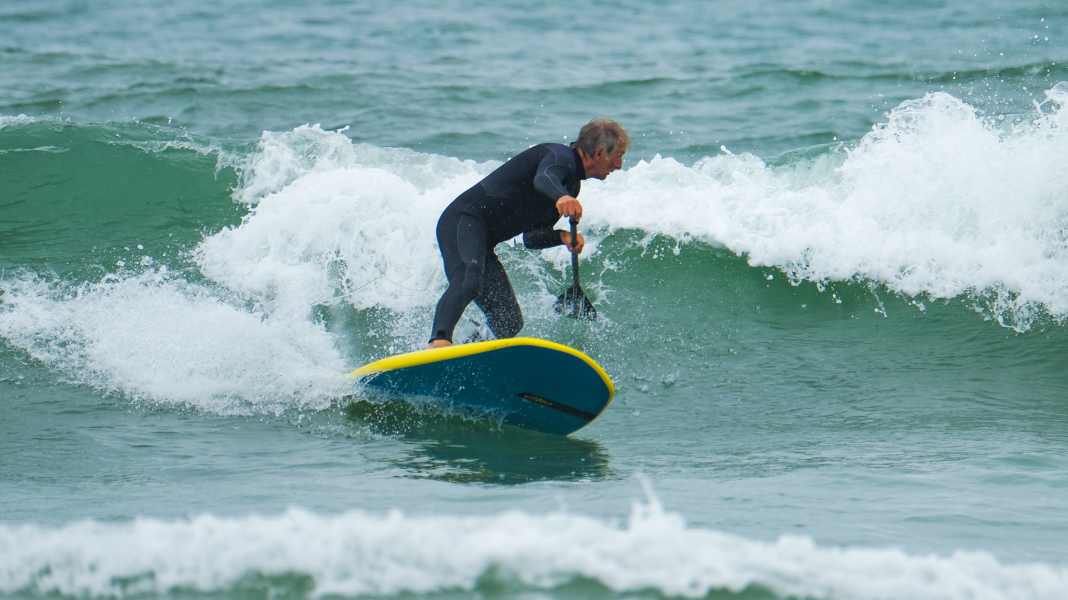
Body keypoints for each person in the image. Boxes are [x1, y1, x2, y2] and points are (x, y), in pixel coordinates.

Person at [428, 118, 629, 348]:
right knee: (469, 279)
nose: (619, 165)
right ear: (601, 152)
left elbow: (531, 238)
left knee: (509, 322)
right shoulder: (558, 157)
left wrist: (562, 237)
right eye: (618, 156)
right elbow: (543, 178)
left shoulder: (571, 185)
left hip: (482, 242)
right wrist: (562, 197)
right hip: (463, 221)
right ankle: (439, 341)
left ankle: (464, 352)